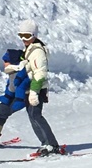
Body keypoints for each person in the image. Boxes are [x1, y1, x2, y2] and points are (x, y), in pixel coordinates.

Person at [16, 18, 64, 156]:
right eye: (21, 35)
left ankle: (52, 144)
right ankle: (46, 143)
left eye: (27, 36)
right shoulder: (29, 49)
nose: (24, 39)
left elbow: (40, 73)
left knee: (36, 115)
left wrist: (34, 92)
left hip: (36, 88)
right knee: (32, 116)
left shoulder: (37, 51)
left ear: (34, 35)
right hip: (29, 88)